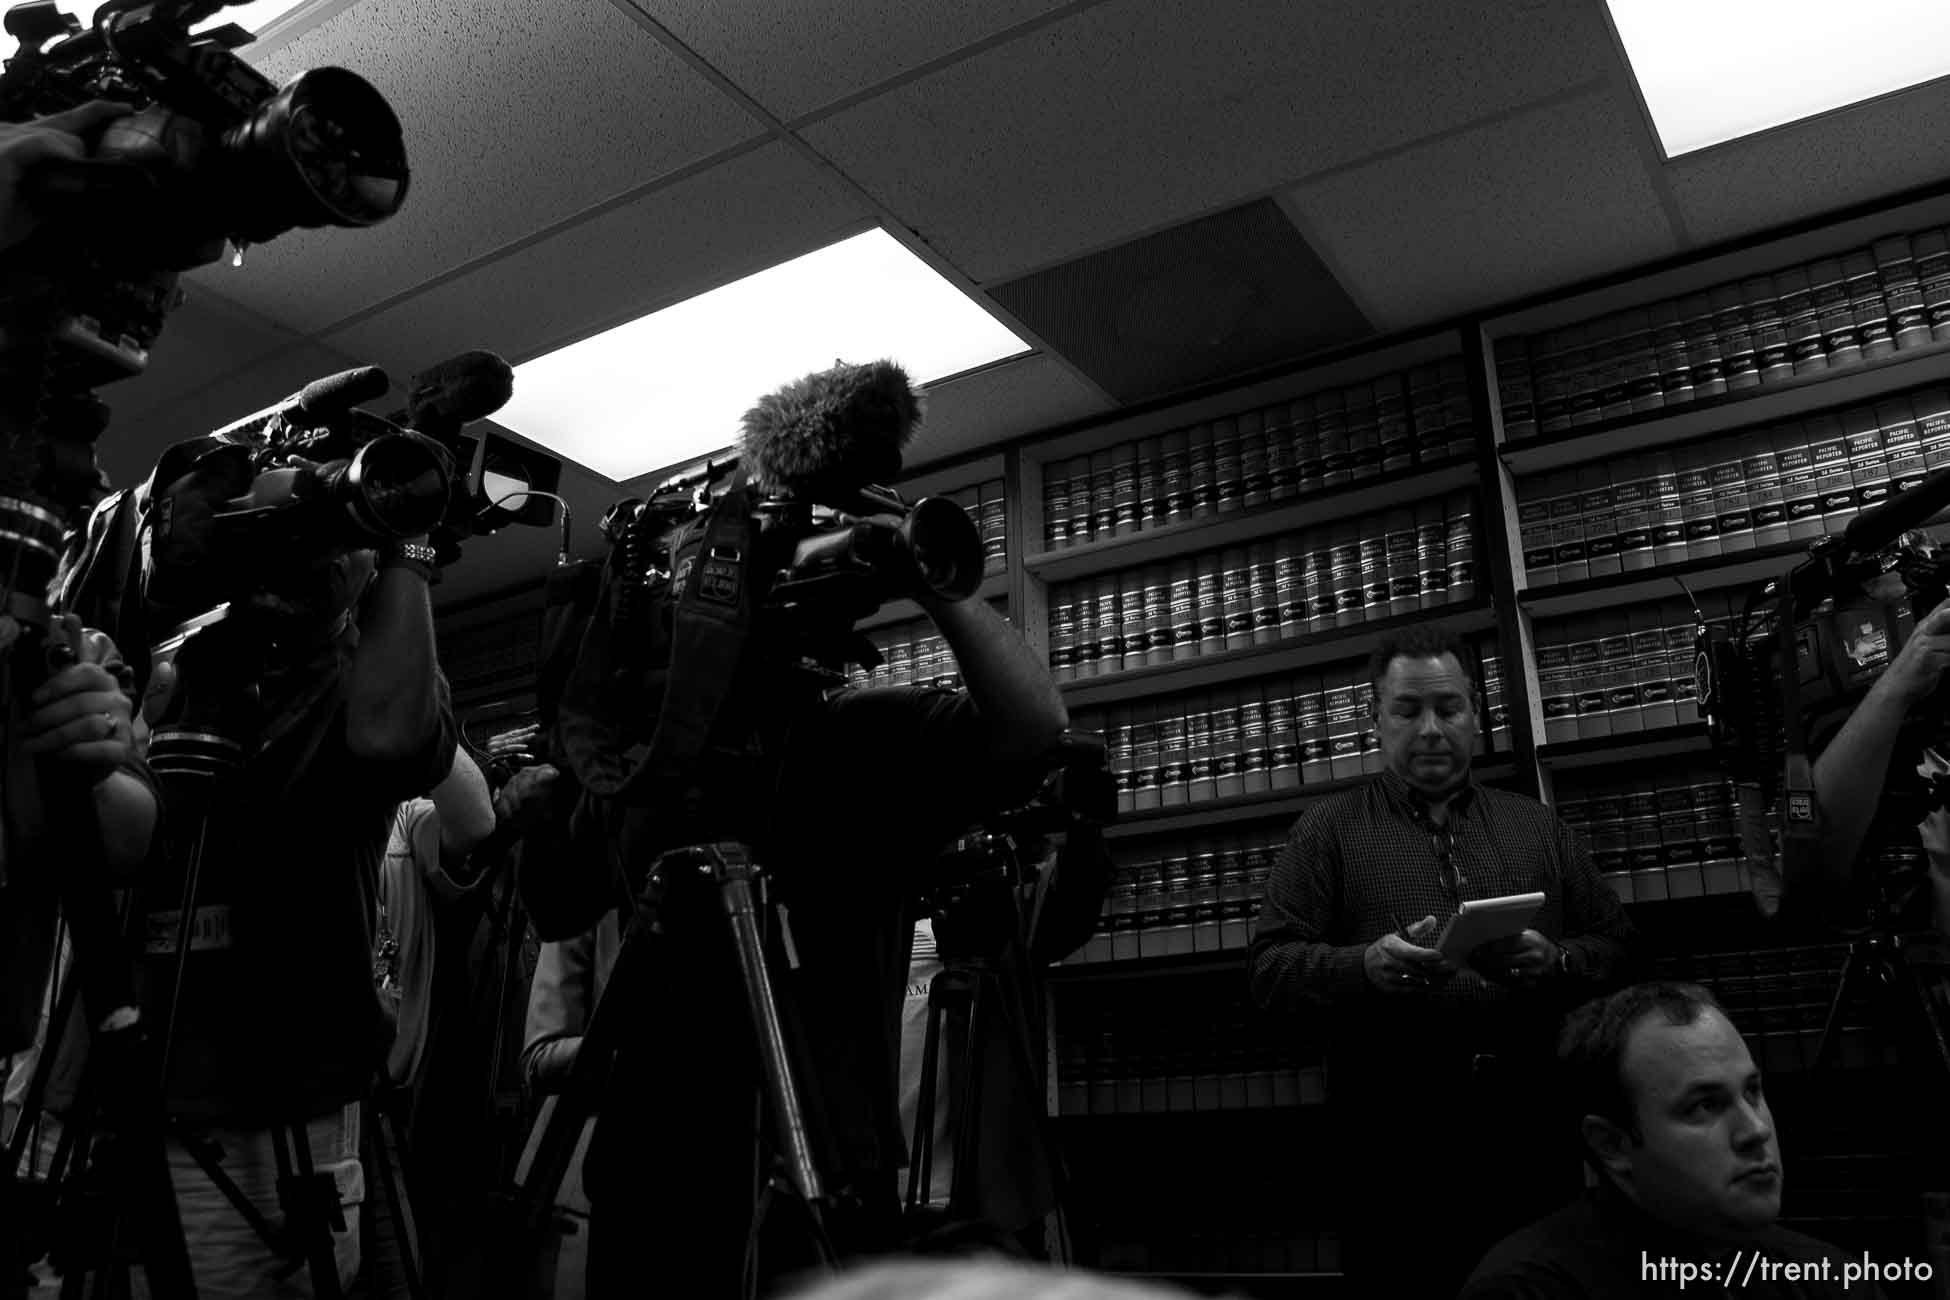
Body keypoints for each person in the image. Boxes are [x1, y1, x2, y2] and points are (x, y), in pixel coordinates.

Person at [544, 488, 1071, 1297]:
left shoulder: (856, 738)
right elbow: (555, 897)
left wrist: (937, 587)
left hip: (824, 1160)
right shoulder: (652, 755)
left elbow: (1034, 727)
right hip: (660, 1150)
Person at [40, 432, 459, 1298]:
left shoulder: (366, 671)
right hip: (111, 1082)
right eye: (277, 522)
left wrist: (408, 543)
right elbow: (113, 842)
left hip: (277, 1110)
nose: (299, 550)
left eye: (328, 534)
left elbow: (390, 739)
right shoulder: (158, 663)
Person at [1246, 623, 1638, 1299]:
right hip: (1391, 1154)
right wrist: (1361, 967)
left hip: (1532, 1143)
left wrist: (1559, 961)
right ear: (1376, 722)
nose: (1431, 728)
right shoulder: (1328, 831)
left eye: (1449, 709)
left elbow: (1621, 947)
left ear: (1476, 717)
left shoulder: (1537, 827)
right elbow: (1266, 973)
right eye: (1408, 710)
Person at [1461, 982, 1883, 1298]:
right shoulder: (1524, 1292)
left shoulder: (1830, 1278)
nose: (1756, 1130)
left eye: (1753, 1091)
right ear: (1612, 1144)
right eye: (1704, 1106)